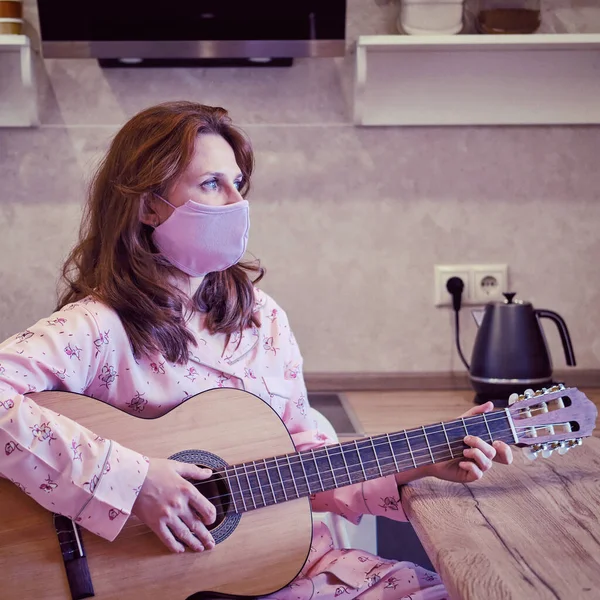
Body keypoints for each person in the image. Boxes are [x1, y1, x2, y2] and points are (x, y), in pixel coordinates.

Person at [0, 101, 512, 600]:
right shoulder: (96, 327)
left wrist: (416, 464)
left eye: (238, 184)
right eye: (211, 184)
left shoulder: (261, 318)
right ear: (148, 205)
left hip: (298, 569)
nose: (236, 202)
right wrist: (136, 484)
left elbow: (302, 465)